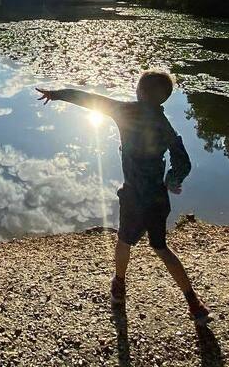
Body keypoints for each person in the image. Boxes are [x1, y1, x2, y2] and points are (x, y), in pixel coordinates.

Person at [36, 71, 212, 325]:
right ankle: (194, 303)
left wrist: (56, 95)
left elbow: (88, 99)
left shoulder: (125, 111)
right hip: (157, 197)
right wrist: (172, 180)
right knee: (161, 248)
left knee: (123, 242)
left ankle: (119, 286)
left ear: (138, 92)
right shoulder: (165, 125)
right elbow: (183, 159)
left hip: (133, 195)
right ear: (163, 99)